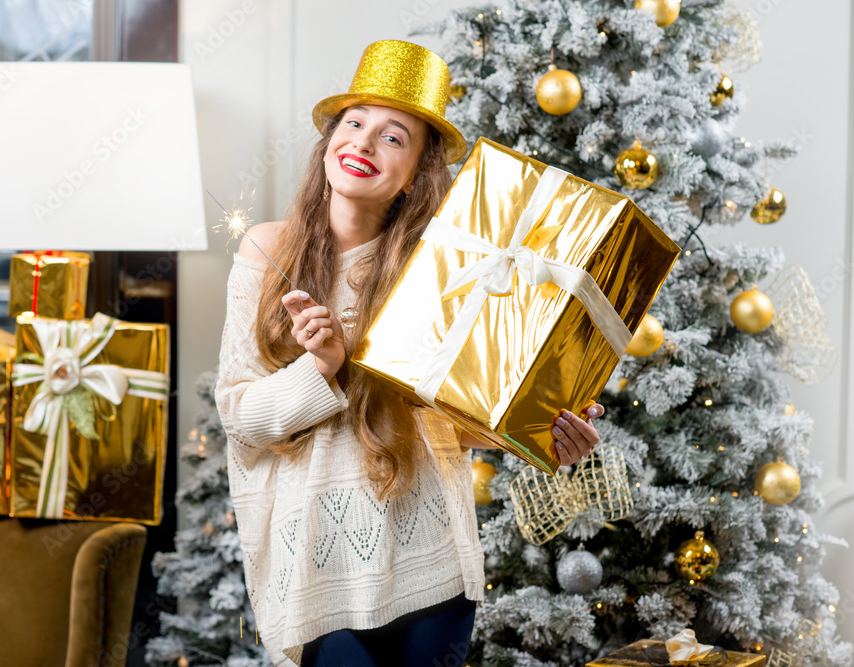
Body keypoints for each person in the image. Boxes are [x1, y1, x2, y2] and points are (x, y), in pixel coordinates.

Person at [215, 40, 605, 667]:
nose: (364, 145)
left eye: (394, 138)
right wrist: (320, 369)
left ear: (419, 171)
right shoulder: (267, 251)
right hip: (320, 566)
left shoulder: (445, 266)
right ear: (329, 143)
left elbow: (452, 416)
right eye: (354, 124)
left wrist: (540, 430)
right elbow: (239, 418)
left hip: (430, 564)